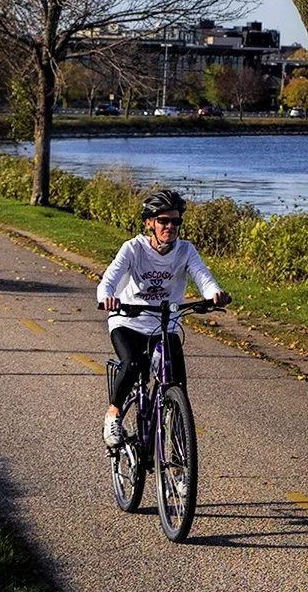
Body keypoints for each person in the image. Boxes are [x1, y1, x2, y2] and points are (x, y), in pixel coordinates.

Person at [96, 188, 228, 448]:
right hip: (128, 320)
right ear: (149, 223)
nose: (170, 226)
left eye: (175, 221)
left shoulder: (185, 251)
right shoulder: (133, 249)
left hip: (164, 324)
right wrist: (107, 297)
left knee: (178, 387)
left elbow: (203, 277)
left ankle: (179, 461)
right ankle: (113, 414)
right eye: (163, 221)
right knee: (133, 363)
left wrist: (214, 294)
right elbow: (108, 281)